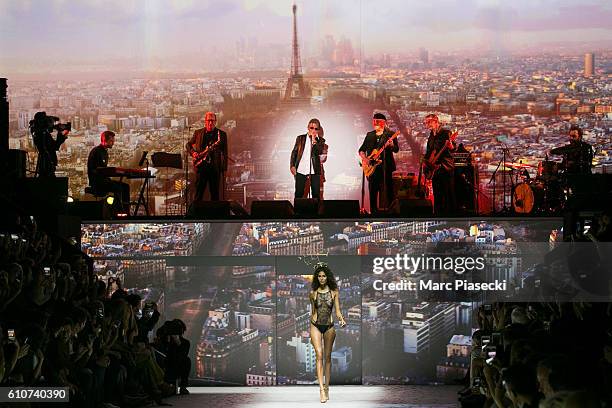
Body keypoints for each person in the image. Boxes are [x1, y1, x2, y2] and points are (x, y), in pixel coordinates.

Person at [309, 263, 346, 403]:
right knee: (319, 355)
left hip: (329, 326)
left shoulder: (334, 291)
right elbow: (313, 312)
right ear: (316, 278)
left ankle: (327, 388)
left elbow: (337, 311)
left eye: (324, 276)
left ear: (327, 277)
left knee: (328, 358)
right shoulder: (312, 293)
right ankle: (321, 391)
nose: (322, 278)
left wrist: (341, 320)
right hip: (315, 326)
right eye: (319, 276)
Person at [358, 113, 399, 214]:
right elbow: (361, 150)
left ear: (384, 123)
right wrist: (365, 159)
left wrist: (392, 144)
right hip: (372, 168)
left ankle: (391, 212)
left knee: (388, 190)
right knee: (373, 191)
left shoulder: (390, 134)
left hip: (386, 167)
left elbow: (396, 149)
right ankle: (373, 212)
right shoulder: (369, 135)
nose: (375, 123)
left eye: (378, 121)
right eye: (374, 121)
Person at [186, 112, 228, 202]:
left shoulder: (222, 135)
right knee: (198, 194)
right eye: (209, 120)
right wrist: (193, 153)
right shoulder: (198, 133)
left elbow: (225, 152)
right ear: (205, 121)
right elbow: (188, 145)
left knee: (215, 195)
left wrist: (224, 169)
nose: (210, 123)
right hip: (201, 168)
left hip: (215, 169)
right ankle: (197, 214)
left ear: (215, 121)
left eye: (212, 121)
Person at [87, 131, 130, 211]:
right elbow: (95, 170)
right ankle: (120, 210)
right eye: (111, 141)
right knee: (120, 188)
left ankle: (124, 209)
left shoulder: (104, 152)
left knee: (125, 186)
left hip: (104, 180)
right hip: (98, 182)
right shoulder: (97, 152)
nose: (113, 143)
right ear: (104, 140)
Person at [424, 113, 456, 215]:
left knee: (446, 194)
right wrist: (426, 162)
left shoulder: (446, 133)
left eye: (429, 122)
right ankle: (438, 214)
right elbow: (429, 151)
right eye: (426, 122)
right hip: (435, 169)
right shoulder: (431, 135)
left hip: (445, 168)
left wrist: (450, 146)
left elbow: (453, 148)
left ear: (436, 121)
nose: (427, 124)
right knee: (437, 193)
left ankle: (448, 215)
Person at [290, 118, 327, 199]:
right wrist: (292, 165)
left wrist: (315, 142)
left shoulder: (321, 141)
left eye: (316, 128)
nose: (313, 130)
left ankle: (315, 211)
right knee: (299, 194)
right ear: (308, 127)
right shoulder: (300, 138)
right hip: (301, 170)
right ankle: (297, 211)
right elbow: (294, 152)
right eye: (311, 128)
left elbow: (320, 152)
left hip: (314, 171)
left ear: (318, 130)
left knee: (316, 195)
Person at [29, 111, 70, 177]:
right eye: (51, 122)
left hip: (45, 163)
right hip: (47, 163)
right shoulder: (43, 134)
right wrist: (61, 135)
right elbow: (55, 147)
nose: (52, 125)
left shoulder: (40, 133)